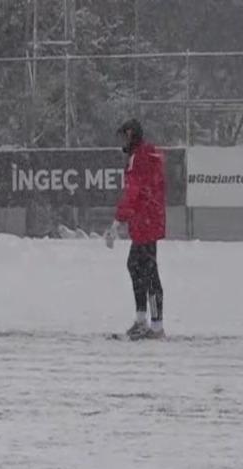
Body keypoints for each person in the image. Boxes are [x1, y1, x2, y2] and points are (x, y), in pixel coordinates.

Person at [112, 119, 167, 341]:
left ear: (131, 135)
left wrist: (118, 220)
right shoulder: (150, 155)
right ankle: (147, 322)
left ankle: (152, 325)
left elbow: (133, 193)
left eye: (124, 137)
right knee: (142, 268)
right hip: (150, 221)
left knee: (144, 271)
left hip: (144, 222)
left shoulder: (138, 158)